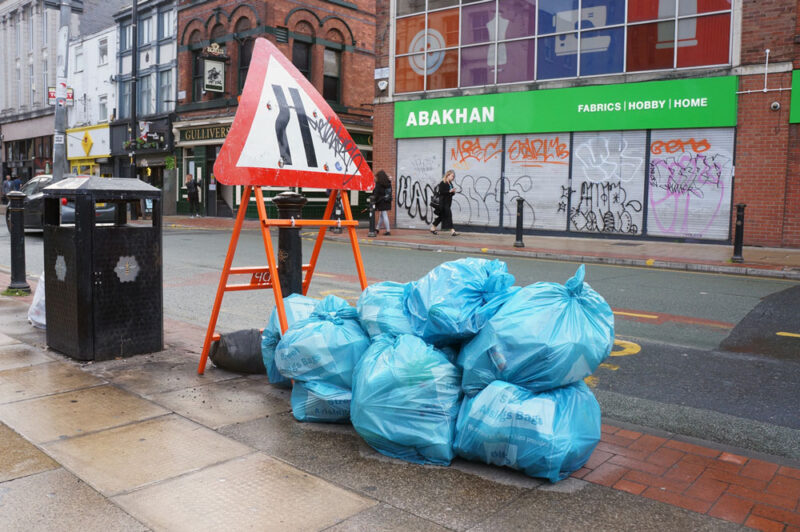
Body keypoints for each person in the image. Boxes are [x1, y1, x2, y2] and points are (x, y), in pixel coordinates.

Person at [430, 169, 459, 236]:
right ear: (448, 175)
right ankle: (452, 231)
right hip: (443, 203)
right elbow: (441, 192)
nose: (453, 178)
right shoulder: (443, 183)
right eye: (452, 176)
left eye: (453, 176)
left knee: (441, 216)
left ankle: (433, 228)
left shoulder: (450, 183)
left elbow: (450, 194)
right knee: (449, 215)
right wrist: (449, 191)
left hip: (448, 203)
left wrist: (453, 192)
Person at [373, 170, 393, 236]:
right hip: (387, 201)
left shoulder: (379, 184)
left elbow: (376, 193)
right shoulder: (388, 183)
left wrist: (374, 200)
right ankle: (377, 228)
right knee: (382, 215)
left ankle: (388, 231)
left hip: (381, 201)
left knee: (384, 214)